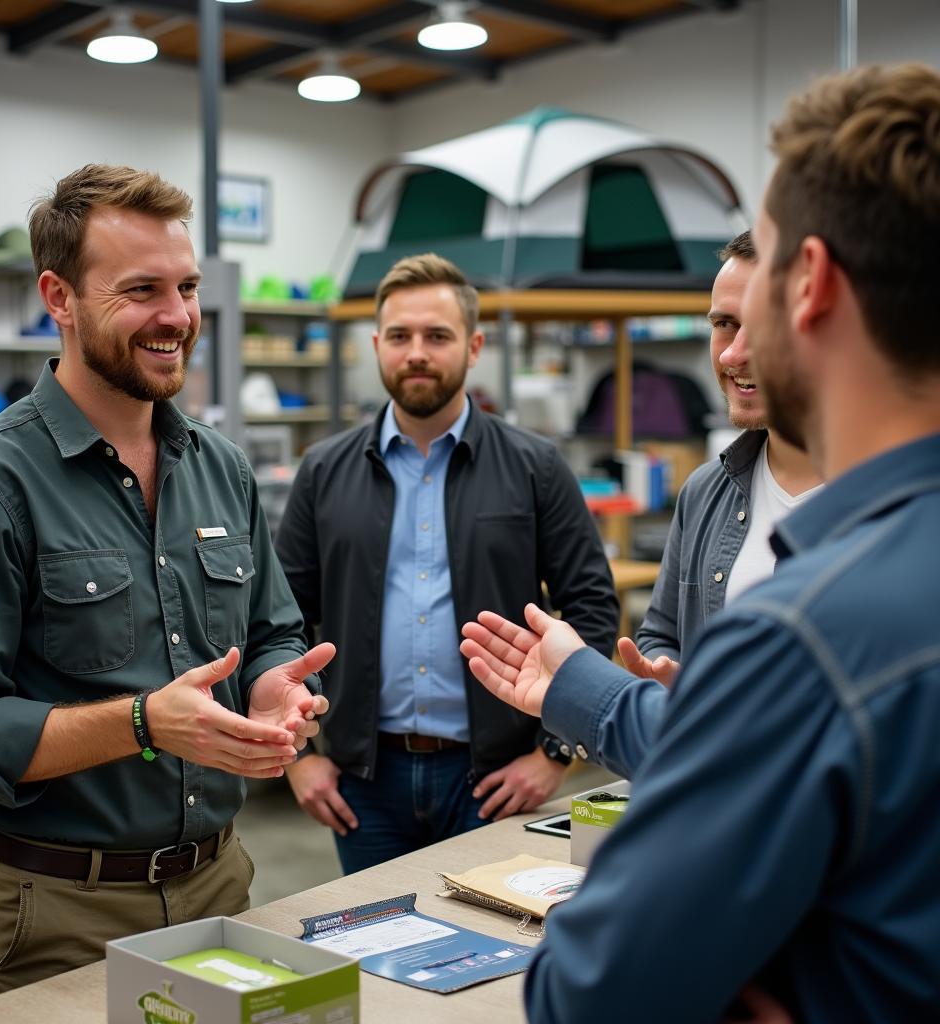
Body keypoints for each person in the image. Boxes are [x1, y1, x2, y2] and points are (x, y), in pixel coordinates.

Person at [460, 63, 940, 1021]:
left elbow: (590, 995)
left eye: (759, 272)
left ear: (813, 288)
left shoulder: (807, 637)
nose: (731, 338)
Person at [0, 164, 332, 999]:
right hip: (61, 909)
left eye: (186, 287)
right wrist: (145, 723)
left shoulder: (220, 467)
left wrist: (272, 687)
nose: (177, 316)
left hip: (222, 883)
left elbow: (272, 632)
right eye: (141, 289)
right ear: (59, 297)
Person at [274, 252, 619, 873]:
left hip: (492, 777)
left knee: (499, 951)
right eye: (400, 336)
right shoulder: (324, 471)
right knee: (376, 952)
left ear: (475, 345)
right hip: (364, 783)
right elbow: (280, 621)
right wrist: (299, 758)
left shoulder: (535, 467)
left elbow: (592, 606)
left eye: (438, 336)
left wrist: (554, 752)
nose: (417, 353)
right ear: (378, 344)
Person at [619, 230, 822, 686]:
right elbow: (661, 632)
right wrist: (668, 677)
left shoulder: (899, 503)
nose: (733, 353)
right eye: (724, 324)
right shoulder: (706, 490)